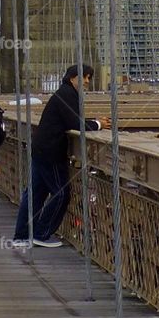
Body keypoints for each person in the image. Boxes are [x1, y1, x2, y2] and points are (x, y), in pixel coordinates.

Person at [13, 63, 108, 249]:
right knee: (62, 193)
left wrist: (95, 121)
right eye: (84, 77)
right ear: (72, 77)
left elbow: (71, 119)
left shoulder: (64, 93)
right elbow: (74, 123)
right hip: (51, 152)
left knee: (34, 195)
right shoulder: (68, 94)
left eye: (89, 77)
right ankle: (41, 234)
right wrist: (97, 125)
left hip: (41, 149)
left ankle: (22, 236)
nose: (87, 81)